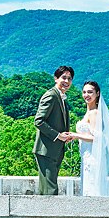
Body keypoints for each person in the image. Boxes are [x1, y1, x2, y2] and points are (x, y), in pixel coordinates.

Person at [32, 65, 74, 195]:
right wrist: (58, 136)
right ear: (56, 78)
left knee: (46, 190)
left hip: (54, 150)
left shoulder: (60, 97)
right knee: (50, 191)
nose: (66, 81)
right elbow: (38, 121)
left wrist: (65, 135)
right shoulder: (51, 95)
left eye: (69, 79)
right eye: (64, 78)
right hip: (46, 150)